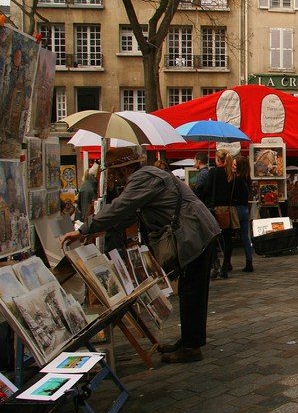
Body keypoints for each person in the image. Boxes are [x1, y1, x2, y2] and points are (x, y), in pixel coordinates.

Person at [60, 146, 220, 363]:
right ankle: (190, 339)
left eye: (116, 174)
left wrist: (83, 230)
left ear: (124, 169)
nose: (115, 179)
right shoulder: (149, 176)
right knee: (190, 288)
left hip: (194, 234)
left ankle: (192, 347)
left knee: (192, 290)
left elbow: (122, 206)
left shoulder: (142, 178)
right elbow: (129, 214)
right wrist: (99, 228)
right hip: (195, 231)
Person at [209, 149, 239, 278]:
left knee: (212, 238)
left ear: (217, 159)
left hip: (215, 208)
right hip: (229, 209)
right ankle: (226, 265)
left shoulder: (214, 172)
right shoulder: (231, 174)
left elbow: (206, 189)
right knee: (227, 239)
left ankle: (215, 263)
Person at [233, 154, 254, 272]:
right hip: (245, 209)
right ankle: (249, 261)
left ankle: (227, 263)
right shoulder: (247, 179)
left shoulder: (238, 179)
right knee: (245, 237)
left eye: (235, 165)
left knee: (228, 235)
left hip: (237, 208)